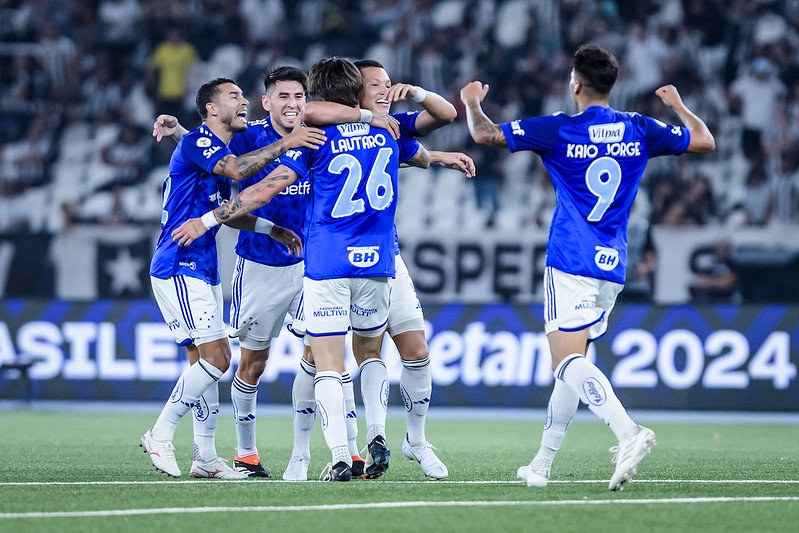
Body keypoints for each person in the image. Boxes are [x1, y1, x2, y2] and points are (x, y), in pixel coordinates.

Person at [460, 44, 715, 491]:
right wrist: (678, 107)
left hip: (570, 258)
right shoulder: (639, 127)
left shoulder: (558, 129)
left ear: (575, 84)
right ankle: (541, 465)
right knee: (576, 362)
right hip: (612, 264)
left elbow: (486, 136)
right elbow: (704, 141)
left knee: (565, 363)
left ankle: (628, 432)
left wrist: (472, 103)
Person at [171, 58, 424, 482]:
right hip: (261, 263)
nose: (292, 104)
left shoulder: (323, 134)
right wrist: (181, 133)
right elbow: (210, 150)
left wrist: (435, 155)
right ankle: (246, 453)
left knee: (320, 356)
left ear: (312, 99)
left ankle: (310, 455)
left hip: (316, 264)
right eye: (283, 96)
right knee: (253, 364)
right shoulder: (252, 136)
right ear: (266, 102)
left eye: (299, 96)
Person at [288, 59, 474, 481]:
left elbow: (441, 121)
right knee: (321, 357)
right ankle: (328, 450)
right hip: (348, 257)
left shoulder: (392, 125)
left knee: (413, 351)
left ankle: (413, 442)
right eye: (377, 85)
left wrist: (418, 98)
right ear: (356, 93)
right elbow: (320, 114)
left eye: (389, 84)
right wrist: (374, 120)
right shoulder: (368, 125)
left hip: (380, 259)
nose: (387, 91)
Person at [140, 77, 324, 480]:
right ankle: (160, 433)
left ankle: (204, 457)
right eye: (234, 96)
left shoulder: (204, 147)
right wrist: (286, 144)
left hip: (201, 268)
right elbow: (239, 168)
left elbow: (232, 210)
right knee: (219, 359)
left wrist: (270, 229)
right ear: (210, 108)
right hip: (179, 265)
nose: (243, 103)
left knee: (202, 363)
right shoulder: (203, 144)